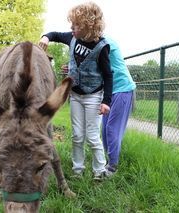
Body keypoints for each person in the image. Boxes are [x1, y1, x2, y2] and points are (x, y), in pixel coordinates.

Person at [39, 2, 113, 181]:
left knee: (93, 136)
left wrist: (106, 101)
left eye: (76, 25)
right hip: (76, 96)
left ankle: (99, 171)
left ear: (89, 26)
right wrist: (45, 37)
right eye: (71, 24)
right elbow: (54, 34)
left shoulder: (102, 47)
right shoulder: (72, 38)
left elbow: (108, 76)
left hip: (93, 97)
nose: (72, 28)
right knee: (78, 135)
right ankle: (77, 170)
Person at [102, 36, 136, 177]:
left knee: (112, 128)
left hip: (122, 89)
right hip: (109, 92)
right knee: (104, 129)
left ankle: (112, 167)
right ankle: (107, 161)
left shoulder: (105, 43)